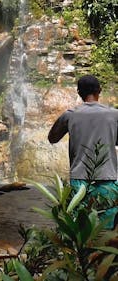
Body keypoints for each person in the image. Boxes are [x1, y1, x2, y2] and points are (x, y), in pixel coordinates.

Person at [48, 74, 118, 229]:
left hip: (79, 179)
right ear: (99, 90)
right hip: (108, 178)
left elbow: (52, 138)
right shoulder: (114, 114)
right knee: (106, 231)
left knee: (79, 230)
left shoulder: (70, 114)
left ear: (79, 93)